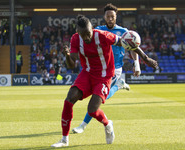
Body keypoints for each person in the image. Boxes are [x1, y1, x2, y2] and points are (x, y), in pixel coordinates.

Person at [51, 14, 157, 148]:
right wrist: (67, 56)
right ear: (78, 33)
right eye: (84, 35)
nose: (87, 37)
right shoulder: (75, 39)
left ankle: (108, 124)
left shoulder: (103, 35)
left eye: (89, 33)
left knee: (92, 110)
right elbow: (71, 65)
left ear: (92, 28)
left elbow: (128, 42)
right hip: (87, 73)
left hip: (104, 75)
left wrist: (145, 59)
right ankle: (64, 140)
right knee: (69, 99)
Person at [72, 3, 141, 134]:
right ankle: (119, 85)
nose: (110, 18)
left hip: (115, 69)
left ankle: (83, 125)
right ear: (104, 16)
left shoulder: (123, 32)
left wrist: (136, 64)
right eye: (108, 16)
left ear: (116, 17)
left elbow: (133, 47)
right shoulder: (98, 30)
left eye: (112, 16)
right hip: (100, 69)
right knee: (99, 97)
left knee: (97, 98)